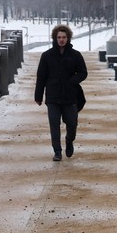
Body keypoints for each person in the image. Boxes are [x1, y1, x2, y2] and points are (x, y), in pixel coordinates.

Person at [34, 24, 88, 162]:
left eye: (64, 37)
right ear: (54, 38)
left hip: (71, 96)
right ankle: (57, 151)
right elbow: (41, 77)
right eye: (59, 37)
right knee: (54, 124)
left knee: (72, 124)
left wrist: (73, 80)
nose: (61, 40)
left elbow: (83, 73)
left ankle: (69, 141)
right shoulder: (47, 56)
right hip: (53, 96)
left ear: (68, 38)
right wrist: (38, 96)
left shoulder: (75, 55)